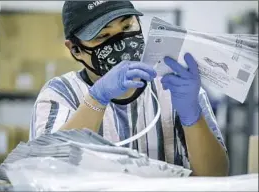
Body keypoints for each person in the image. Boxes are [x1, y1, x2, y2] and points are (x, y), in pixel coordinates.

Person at [30, 1, 229, 176]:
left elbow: (216, 174)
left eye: (127, 26)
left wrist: (192, 116)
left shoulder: (172, 85)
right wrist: (97, 99)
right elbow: (48, 170)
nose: (122, 41)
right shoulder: (60, 94)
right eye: (103, 35)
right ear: (76, 49)